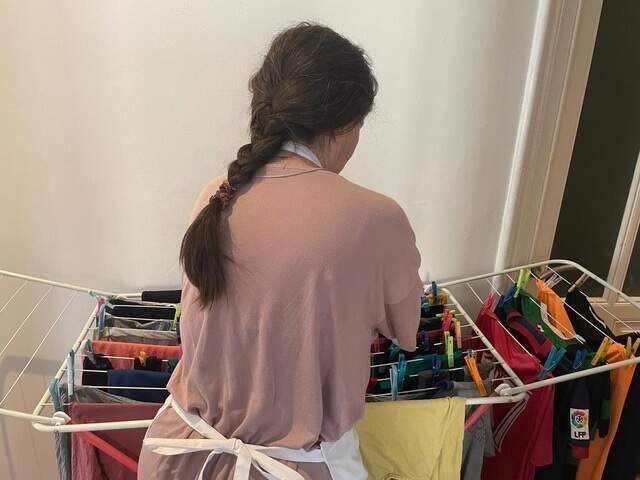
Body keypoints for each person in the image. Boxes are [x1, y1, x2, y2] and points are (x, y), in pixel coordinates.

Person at [138, 22, 421, 480]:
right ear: (344, 125)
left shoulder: (216, 194)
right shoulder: (376, 219)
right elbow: (405, 331)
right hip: (290, 468)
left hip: (178, 454)